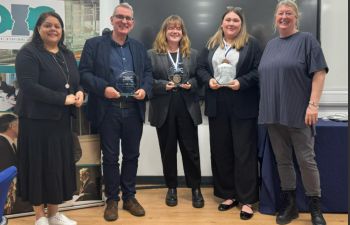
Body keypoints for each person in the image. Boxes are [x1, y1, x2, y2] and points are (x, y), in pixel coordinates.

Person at [79, 3, 152, 221]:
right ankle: (112, 199)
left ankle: (129, 197)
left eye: (128, 18)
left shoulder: (139, 48)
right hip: (107, 110)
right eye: (120, 17)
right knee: (110, 158)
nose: (124, 21)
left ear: (133, 23)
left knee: (132, 156)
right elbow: (83, 74)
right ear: (112, 20)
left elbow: (148, 73)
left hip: (133, 110)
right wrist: (103, 89)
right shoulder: (94, 45)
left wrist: (144, 89)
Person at [258, 1, 328, 225]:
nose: (284, 16)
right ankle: (291, 206)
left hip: (299, 112)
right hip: (272, 113)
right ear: (275, 17)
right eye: (280, 13)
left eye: (289, 13)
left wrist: (313, 105)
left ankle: (315, 208)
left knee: (307, 161)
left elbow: (319, 73)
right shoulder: (270, 45)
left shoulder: (307, 40)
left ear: (296, 17)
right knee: (283, 161)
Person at [15, 11, 84, 225]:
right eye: (48, 25)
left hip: (60, 122)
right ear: (38, 29)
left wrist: (80, 92)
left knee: (56, 167)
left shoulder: (67, 54)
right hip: (36, 122)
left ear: (62, 31)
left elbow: (74, 81)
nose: (53, 29)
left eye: (57, 26)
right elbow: (29, 86)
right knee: (39, 167)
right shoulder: (28, 53)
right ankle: (39, 217)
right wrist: (62, 99)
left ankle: (54, 214)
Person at [197, 6, 261, 220]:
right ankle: (228, 194)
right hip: (217, 103)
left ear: (241, 24)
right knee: (221, 151)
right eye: (228, 20)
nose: (231, 24)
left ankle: (247, 200)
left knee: (244, 153)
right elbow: (200, 69)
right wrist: (209, 81)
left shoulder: (251, 45)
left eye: (236, 20)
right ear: (222, 23)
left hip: (242, 103)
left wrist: (240, 82)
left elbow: (258, 71)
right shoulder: (211, 44)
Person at [148, 15, 204, 208]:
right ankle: (171, 188)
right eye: (171, 28)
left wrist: (192, 84)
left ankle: (195, 188)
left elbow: (200, 77)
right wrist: (164, 85)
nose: (175, 31)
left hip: (187, 107)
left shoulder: (192, 54)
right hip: (164, 108)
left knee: (191, 151)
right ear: (164, 31)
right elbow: (147, 81)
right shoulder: (152, 54)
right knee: (168, 150)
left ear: (183, 32)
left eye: (178, 28)